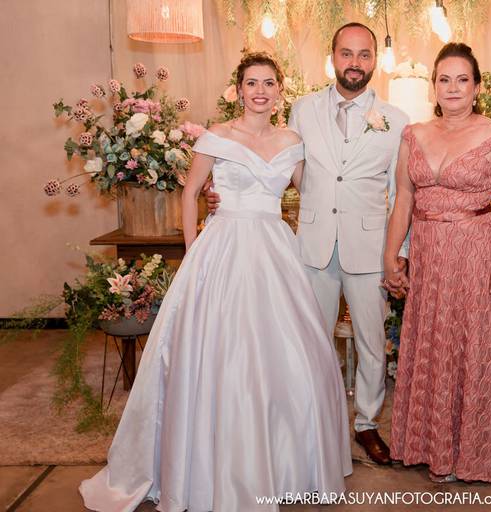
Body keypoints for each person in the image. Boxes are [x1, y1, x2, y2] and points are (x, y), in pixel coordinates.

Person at [80, 53, 352, 512]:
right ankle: (212, 462)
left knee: (289, 349)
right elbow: (190, 193)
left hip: (275, 248)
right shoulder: (217, 136)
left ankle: (285, 461)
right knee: (221, 349)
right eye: (252, 83)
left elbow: (311, 194)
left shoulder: (292, 142)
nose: (260, 91)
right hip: (224, 245)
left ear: (279, 90)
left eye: (268, 83)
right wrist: (193, 252)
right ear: (239, 89)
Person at [205, 23, 409, 465]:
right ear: (332, 57)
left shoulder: (396, 121)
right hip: (312, 246)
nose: (354, 62)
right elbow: (274, 162)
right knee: (309, 340)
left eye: (364, 54)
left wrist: (399, 254)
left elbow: (401, 195)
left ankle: (367, 424)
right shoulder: (302, 110)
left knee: (372, 342)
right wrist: (218, 185)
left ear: (374, 61)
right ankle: (318, 421)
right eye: (346, 53)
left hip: (370, 247)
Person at [382, 42, 491, 483]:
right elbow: (404, 199)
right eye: (445, 79)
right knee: (430, 343)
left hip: (474, 251)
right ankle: (430, 447)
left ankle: (474, 452)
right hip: (427, 254)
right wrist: (391, 256)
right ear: (434, 87)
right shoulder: (414, 135)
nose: (453, 87)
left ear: (477, 87)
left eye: (463, 79)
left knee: (472, 346)